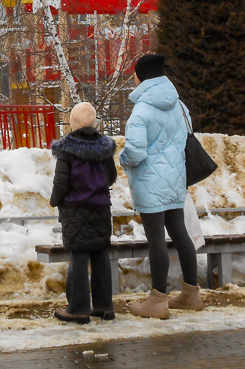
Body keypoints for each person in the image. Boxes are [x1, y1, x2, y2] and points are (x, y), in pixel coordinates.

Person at [120, 54, 204, 319]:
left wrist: (123, 161)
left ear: (141, 76)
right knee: (180, 234)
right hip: (175, 178)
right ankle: (191, 293)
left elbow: (135, 151)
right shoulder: (179, 105)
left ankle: (157, 300)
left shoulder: (142, 109)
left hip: (149, 181)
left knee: (156, 238)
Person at [50, 101, 118, 324]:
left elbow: (62, 181)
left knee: (78, 257)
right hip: (100, 209)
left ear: (73, 123)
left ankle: (78, 308)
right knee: (100, 256)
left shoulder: (67, 149)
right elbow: (111, 177)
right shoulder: (104, 147)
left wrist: (55, 200)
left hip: (76, 210)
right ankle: (104, 307)